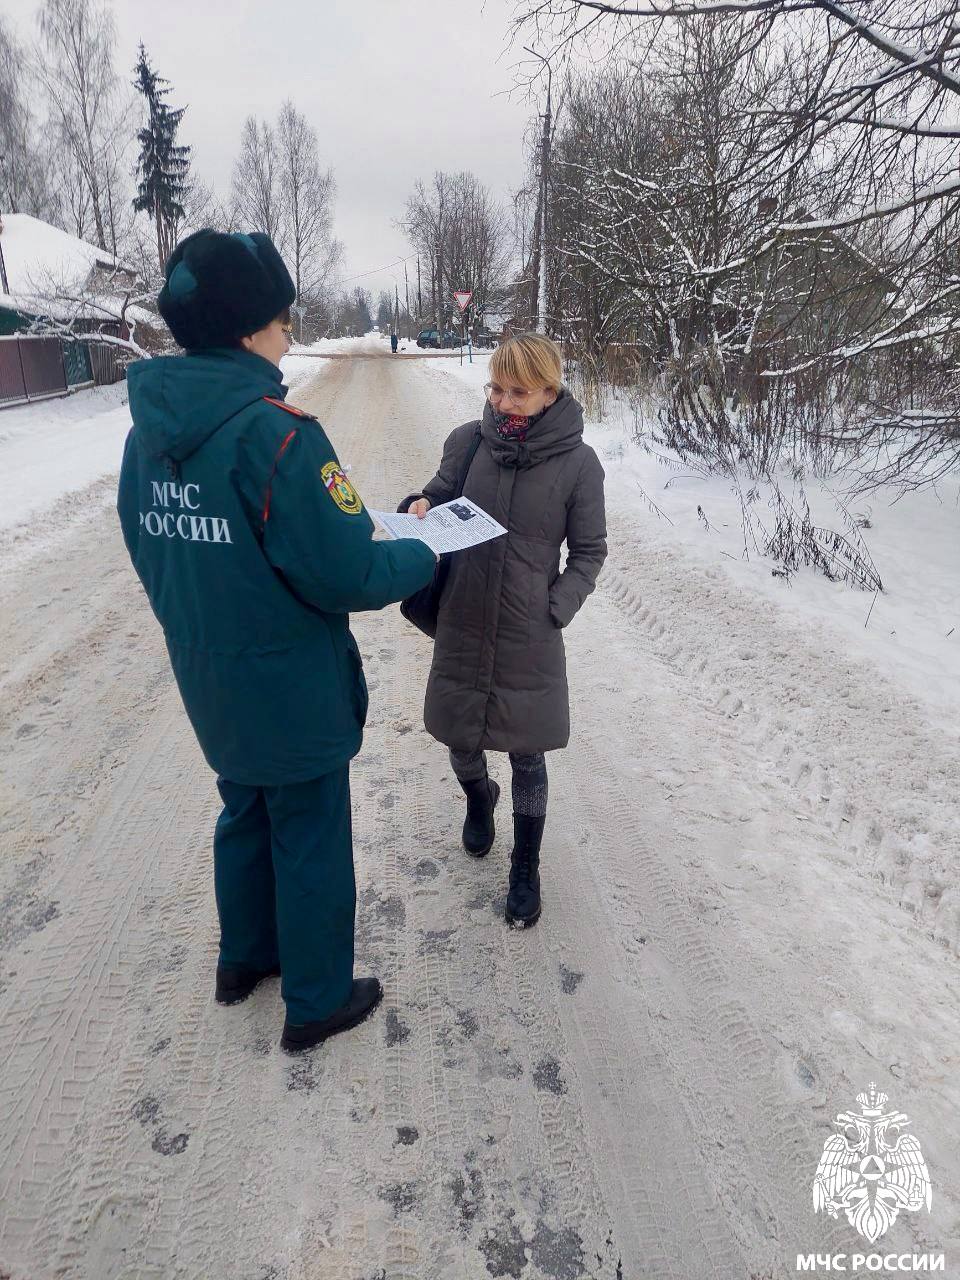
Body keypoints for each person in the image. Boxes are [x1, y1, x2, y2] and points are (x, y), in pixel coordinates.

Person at [117, 229, 436, 1053]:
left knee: (243, 808)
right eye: (281, 319)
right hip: (291, 683)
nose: (289, 333)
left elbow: (149, 547)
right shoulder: (277, 434)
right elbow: (344, 572)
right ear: (248, 328)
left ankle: (244, 959)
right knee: (309, 832)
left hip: (210, 676)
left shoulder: (147, 435)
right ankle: (318, 998)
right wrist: (422, 551)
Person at [398, 333, 607, 927]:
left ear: (549, 391)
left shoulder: (578, 464)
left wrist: (555, 607)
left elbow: (590, 550)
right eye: (495, 388)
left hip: (527, 629)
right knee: (459, 733)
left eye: (518, 391)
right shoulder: (468, 443)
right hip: (462, 616)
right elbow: (434, 500)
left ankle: (525, 866)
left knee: (527, 750)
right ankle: (476, 799)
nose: (503, 401)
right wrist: (416, 504)